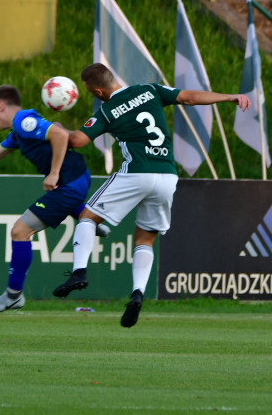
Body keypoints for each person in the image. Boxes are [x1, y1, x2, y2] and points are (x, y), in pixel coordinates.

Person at [55, 63, 250, 327]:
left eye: (91, 91)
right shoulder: (149, 90)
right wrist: (229, 97)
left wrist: (55, 130)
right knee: (145, 239)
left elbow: (77, 140)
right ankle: (137, 294)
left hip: (136, 172)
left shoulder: (108, 110)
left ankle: (79, 271)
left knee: (88, 217)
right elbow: (189, 97)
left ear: (98, 91)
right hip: (167, 176)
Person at [0, 84, 109, 313]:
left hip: (69, 182)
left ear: (0, 106)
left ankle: (13, 296)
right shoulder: (18, 132)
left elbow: (58, 134)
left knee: (19, 231)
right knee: (40, 214)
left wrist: (54, 172)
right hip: (76, 179)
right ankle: (89, 220)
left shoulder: (23, 122)